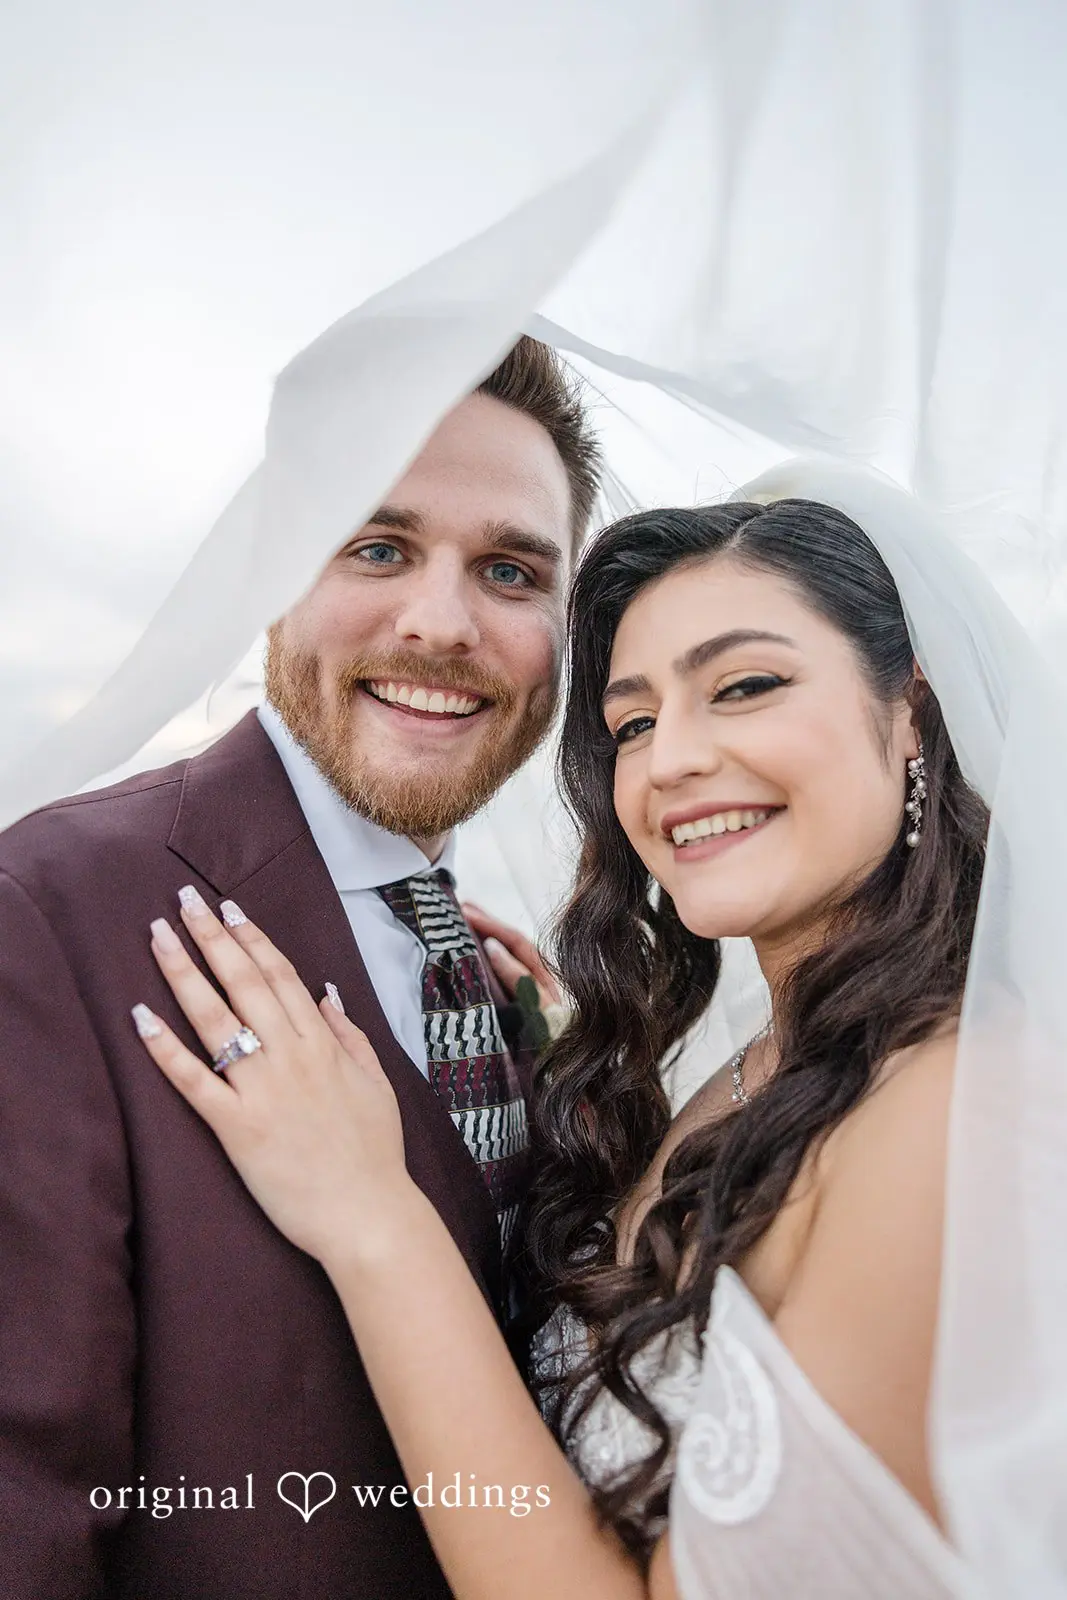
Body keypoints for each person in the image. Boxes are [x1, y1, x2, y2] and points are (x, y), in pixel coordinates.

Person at [134, 491, 990, 1599]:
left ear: (910, 710)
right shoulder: (757, 1074)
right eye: (631, 723)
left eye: (744, 686)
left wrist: (373, 1218)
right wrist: (529, 1068)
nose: (669, 761)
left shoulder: (952, 1106)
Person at [0, 336, 598, 1600]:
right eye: (375, 547)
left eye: (507, 569)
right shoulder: (50, 908)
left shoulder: (495, 978)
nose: (439, 621)